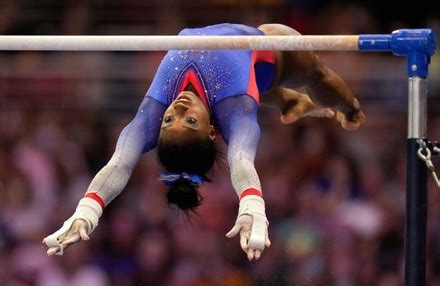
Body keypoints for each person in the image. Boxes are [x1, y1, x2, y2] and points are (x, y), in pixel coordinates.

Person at [43, 23, 365, 261]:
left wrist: (86, 210)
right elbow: (241, 161)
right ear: (212, 131)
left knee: (246, 89)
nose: (178, 109)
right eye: (191, 121)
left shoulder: (153, 110)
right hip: (269, 55)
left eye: (169, 120)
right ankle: (351, 111)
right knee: (315, 71)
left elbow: (120, 162)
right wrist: (252, 204)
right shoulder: (234, 110)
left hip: (245, 78)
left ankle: (288, 103)